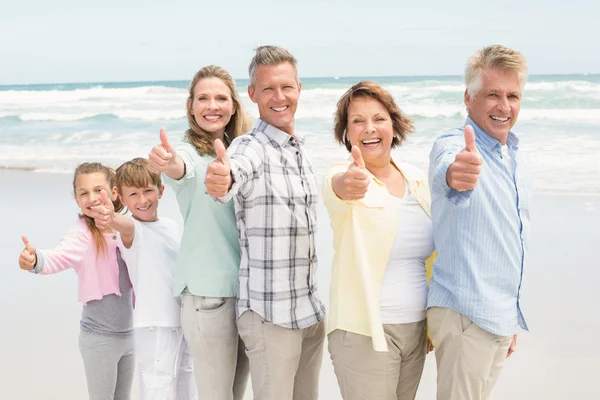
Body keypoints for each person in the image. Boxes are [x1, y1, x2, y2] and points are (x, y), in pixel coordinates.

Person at [205, 45, 326, 400]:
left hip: (310, 311)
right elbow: (233, 174)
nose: (279, 97)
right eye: (269, 89)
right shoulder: (249, 146)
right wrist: (222, 179)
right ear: (253, 94)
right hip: (270, 315)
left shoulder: (299, 148)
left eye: (287, 87)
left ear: (299, 89)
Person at [427, 44, 531, 400]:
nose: (504, 106)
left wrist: (507, 318)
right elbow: (450, 169)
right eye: (492, 95)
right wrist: (459, 172)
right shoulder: (455, 144)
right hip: (465, 314)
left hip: (494, 316)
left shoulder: (512, 154)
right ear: (468, 99)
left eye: (512, 95)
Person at [322, 81, 435, 400]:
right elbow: (338, 187)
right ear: (346, 133)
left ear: (394, 124)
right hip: (364, 333)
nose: (369, 128)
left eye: (378, 118)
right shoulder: (340, 174)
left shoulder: (416, 179)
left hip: (415, 330)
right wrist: (350, 182)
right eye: (357, 121)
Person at [147, 65, 251, 400]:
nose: (212, 105)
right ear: (191, 106)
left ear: (233, 105)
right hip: (208, 295)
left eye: (221, 98)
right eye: (203, 98)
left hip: (249, 292)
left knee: (234, 392)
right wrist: (167, 160)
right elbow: (180, 167)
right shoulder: (189, 152)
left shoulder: (246, 151)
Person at [18, 162, 134, 400]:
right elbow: (58, 257)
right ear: (76, 199)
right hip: (99, 338)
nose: (91, 198)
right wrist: (35, 260)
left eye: (98, 190)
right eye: (84, 193)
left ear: (113, 193)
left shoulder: (124, 228)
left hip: (129, 335)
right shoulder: (81, 235)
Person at [90, 158, 197, 400]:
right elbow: (122, 223)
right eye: (134, 194)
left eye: (148, 190)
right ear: (122, 198)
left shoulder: (170, 225)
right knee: (157, 388)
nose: (142, 200)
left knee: (186, 383)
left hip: (182, 321)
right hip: (155, 323)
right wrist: (107, 214)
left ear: (161, 190)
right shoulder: (132, 230)